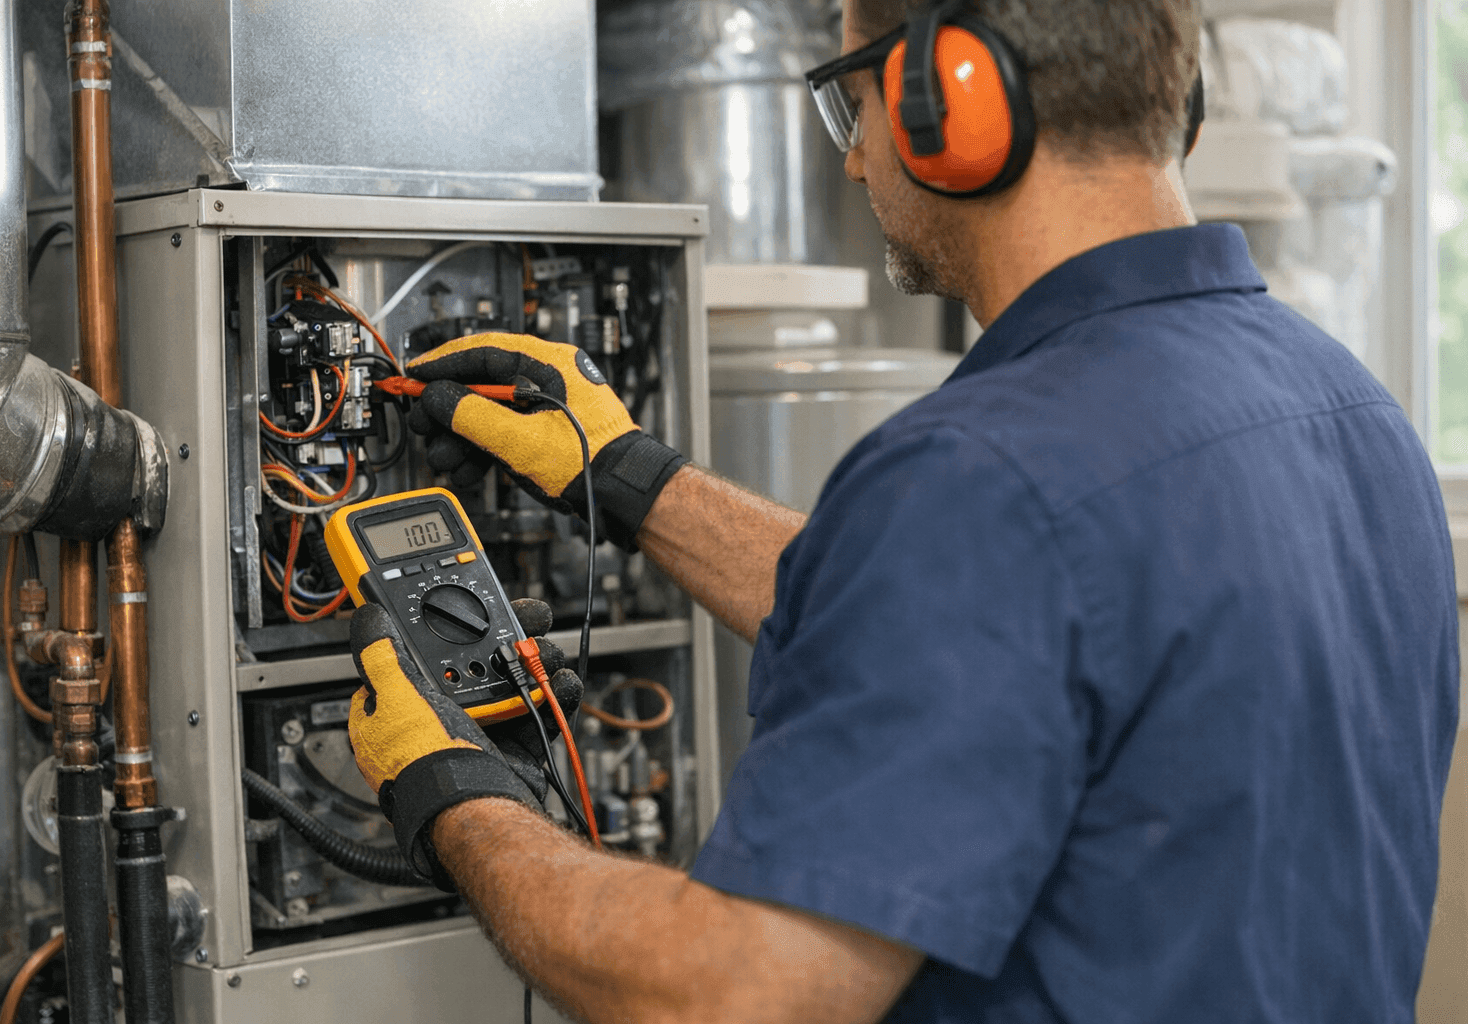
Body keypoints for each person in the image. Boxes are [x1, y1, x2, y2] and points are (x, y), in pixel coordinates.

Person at [346, 0, 1460, 1020]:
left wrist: (454, 797)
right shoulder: (1354, 410)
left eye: (855, 101)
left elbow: (728, 992)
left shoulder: (978, 476)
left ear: (952, 100)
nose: (851, 158)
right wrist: (634, 477)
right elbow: (996, 629)